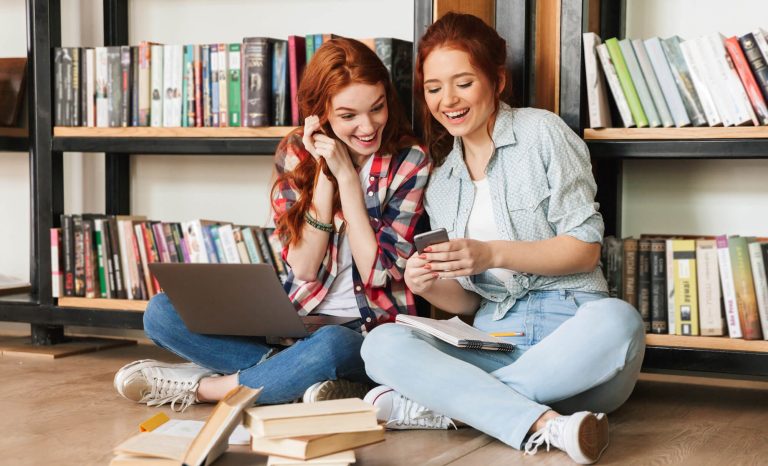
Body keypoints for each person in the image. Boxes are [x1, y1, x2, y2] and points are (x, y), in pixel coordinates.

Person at [360, 12, 645, 465]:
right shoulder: (443, 181)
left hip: (574, 340)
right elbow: (468, 304)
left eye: (463, 83)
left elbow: (584, 248)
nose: (447, 100)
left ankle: (452, 407)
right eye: (433, 89)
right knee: (380, 344)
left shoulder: (542, 133)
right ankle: (545, 424)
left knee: (620, 322)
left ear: (496, 80)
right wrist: (427, 282)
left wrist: (492, 252)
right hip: (495, 340)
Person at [113, 37, 430, 411]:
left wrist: (348, 179)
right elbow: (305, 269)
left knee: (329, 345)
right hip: (292, 324)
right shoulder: (297, 151)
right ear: (320, 113)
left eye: (377, 108)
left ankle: (207, 388)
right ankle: (296, 379)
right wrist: (326, 181)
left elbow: (376, 273)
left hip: (363, 332)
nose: (367, 126)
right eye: (348, 116)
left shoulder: (409, 160)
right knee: (162, 312)